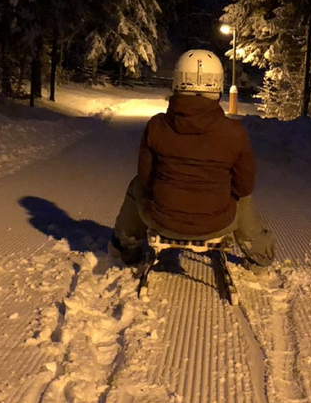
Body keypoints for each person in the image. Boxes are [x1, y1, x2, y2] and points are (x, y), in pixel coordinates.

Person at [110, 49, 276, 270]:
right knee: (241, 197)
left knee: (136, 186)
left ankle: (128, 247)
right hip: (217, 224)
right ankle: (259, 255)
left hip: (162, 221)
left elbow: (145, 178)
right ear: (218, 84)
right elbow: (244, 186)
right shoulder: (234, 132)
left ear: (177, 81)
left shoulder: (157, 125)